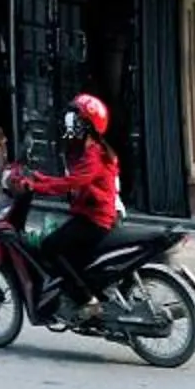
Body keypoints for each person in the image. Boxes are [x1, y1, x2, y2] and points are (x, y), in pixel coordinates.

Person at [22, 94, 119, 325]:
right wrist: (38, 177)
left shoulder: (94, 155)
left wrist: (36, 186)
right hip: (91, 216)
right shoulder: (90, 151)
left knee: (50, 247)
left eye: (76, 120)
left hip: (95, 220)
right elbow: (69, 181)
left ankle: (87, 299)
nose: (70, 124)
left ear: (87, 125)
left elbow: (71, 183)